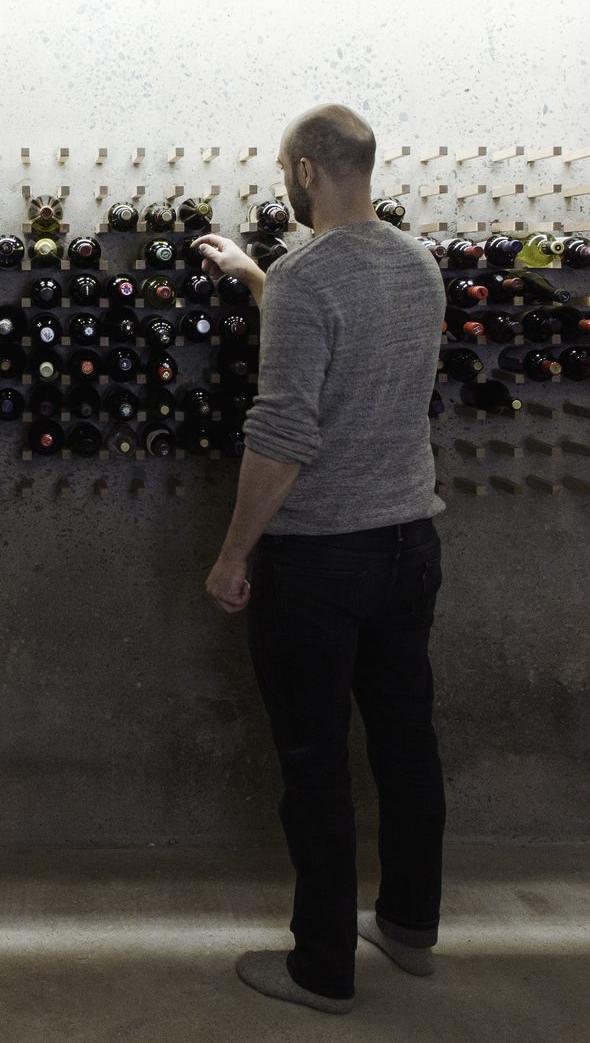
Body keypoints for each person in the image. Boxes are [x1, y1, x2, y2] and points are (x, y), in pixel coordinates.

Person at [194, 103, 448, 1015]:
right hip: (410, 546)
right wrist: (260, 277)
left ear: (303, 170)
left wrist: (234, 554)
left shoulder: (310, 278)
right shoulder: (418, 265)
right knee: (406, 741)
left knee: (315, 764)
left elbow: (286, 431)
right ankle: (412, 930)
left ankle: (322, 968)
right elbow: (358, 347)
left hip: (320, 565)